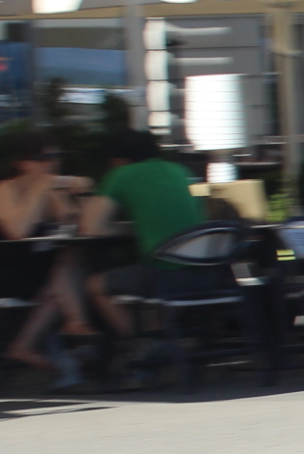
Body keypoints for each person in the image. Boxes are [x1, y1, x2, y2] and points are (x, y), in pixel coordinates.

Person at [0, 131, 95, 383]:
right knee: (60, 277)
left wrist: (71, 195)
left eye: (55, 157)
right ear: (22, 162)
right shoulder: (2, 190)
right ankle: (74, 329)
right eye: (42, 158)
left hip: (30, 269)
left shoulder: (48, 189)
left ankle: (61, 332)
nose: (50, 164)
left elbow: (74, 226)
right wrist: (40, 189)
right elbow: (17, 231)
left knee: (70, 264)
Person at [83, 130, 221, 340]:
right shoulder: (178, 170)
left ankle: (140, 345)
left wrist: (125, 227)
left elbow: (90, 228)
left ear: (118, 159)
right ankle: (158, 342)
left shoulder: (122, 173)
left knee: (94, 285)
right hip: (209, 273)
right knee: (164, 280)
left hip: (168, 277)